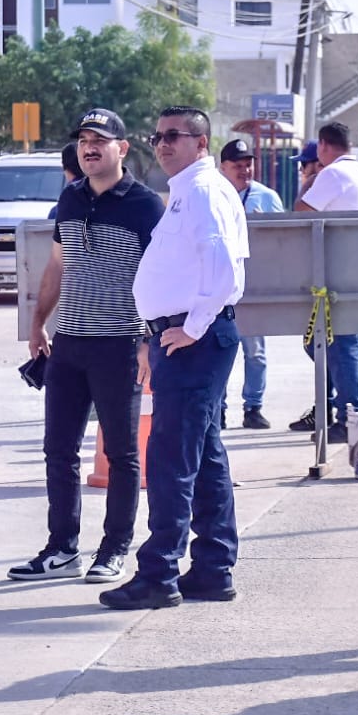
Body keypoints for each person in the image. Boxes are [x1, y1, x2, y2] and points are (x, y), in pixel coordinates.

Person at [100, 106, 248, 610]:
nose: (162, 144)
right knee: (202, 458)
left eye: (174, 136)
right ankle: (212, 567)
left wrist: (191, 327)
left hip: (195, 341)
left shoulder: (203, 191)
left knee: (170, 461)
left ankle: (159, 573)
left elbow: (223, 269)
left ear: (201, 143)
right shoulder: (188, 191)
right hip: (182, 338)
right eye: (157, 136)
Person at [10, 107, 164, 586]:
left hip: (120, 344)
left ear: (123, 148)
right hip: (69, 343)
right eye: (83, 140)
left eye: (101, 139)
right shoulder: (70, 199)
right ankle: (61, 548)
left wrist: (146, 338)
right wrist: (38, 323)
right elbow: (57, 265)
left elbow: (161, 276)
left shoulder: (145, 205)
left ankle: (115, 548)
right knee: (58, 449)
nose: (90, 147)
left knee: (121, 453)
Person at [295, 122, 358, 442]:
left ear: (324, 147)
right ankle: (349, 407)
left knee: (341, 344)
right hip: (350, 265)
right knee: (338, 343)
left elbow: (301, 212)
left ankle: (351, 412)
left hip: (335, 270)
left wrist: (310, 181)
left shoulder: (333, 174)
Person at [217, 138, 283, 429]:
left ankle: (253, 407)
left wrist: (265, 229)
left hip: (255, 288)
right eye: (237, 165)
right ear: (223, 167)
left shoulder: (267, 197)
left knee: (255, 352)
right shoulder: (213, 195)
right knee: (218, 353)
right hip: (220, 290)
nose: (245, 170)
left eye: (248, 164)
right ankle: (217, 408)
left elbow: (286, 242)